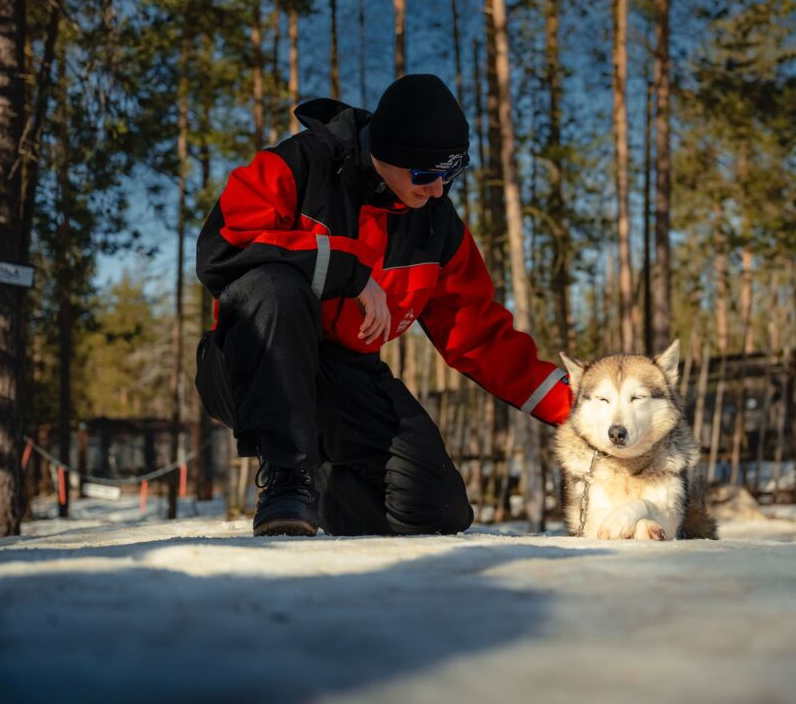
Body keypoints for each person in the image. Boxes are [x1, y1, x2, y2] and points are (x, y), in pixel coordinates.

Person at [195, 74, 572, 537]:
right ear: (384, 151)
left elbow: (479, 333)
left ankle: (326, 493)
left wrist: (579, 408)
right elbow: (222, 251)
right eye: (425, 175)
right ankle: (287, 481)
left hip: (342, 375)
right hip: (248, 362)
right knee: (274, 286)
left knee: (440, 510)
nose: (437, 191)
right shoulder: (297, 166)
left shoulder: (438, 227)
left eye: (451, 174)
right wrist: (346, 272)